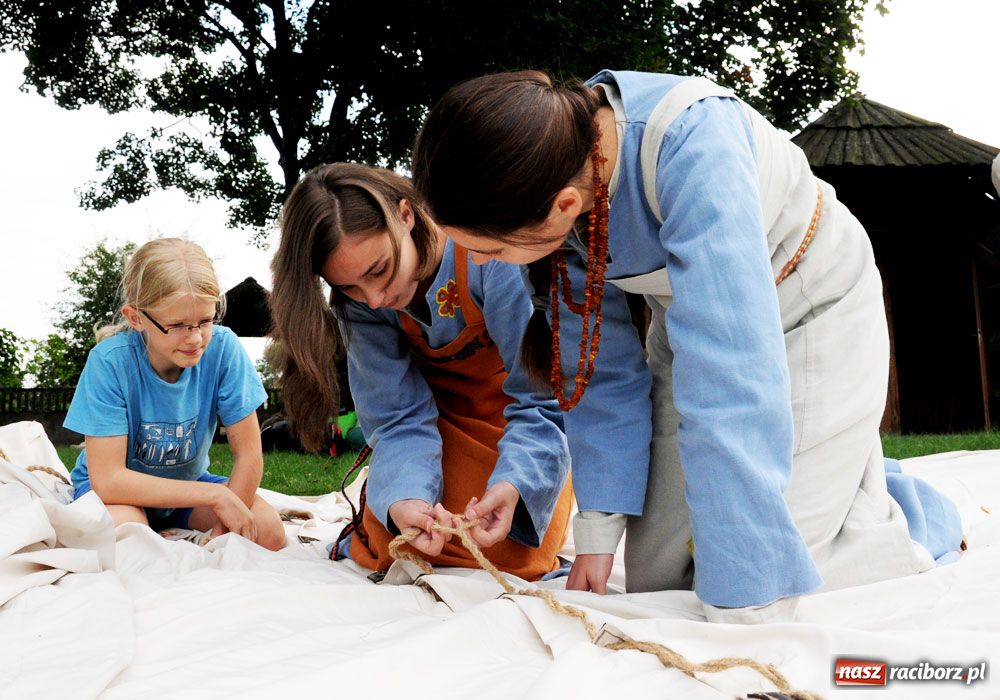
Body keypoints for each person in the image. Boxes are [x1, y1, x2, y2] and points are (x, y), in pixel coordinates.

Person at [410, 70, 963, 620]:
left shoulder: (694, 141)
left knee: (782, 574)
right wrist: (598, 532)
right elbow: (599, 370)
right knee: (660, 579)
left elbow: (729, 377)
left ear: (563, 205)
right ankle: (829, 467)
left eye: (489, 249)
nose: (479, 264)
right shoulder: (554, 172)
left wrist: (747, 594)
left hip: (812, 309)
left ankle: (903, 511)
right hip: (686, 328)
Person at [269, 163, 573, 581]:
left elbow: (543, 399)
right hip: (434, 436)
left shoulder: (486, 254)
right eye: (350, 287)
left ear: (406, 215)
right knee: (401, 537)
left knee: (505, 550)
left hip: (515, 433)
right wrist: (405, 499)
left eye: (378, 270)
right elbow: (397, 418)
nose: (373, 299)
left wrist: (515, 485)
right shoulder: (361, 305)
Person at [64, 238, 285, 551]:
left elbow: (250, 456)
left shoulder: (224, 350)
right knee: (127, 538)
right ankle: (158, 537)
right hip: (117, 496)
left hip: (188, 489)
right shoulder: (109, 362)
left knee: (267, 530)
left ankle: (171, 535)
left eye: (206, 321)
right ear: (136, 317)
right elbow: (110, 480)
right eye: (178, 325)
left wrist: (226, 525)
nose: (195, 338)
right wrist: (217, 496)